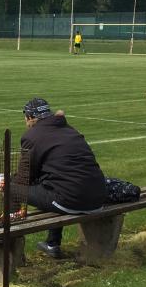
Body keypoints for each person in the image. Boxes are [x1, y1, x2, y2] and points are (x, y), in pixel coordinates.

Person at [14, 98, 107, 258]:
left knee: (10, 189)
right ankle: (52, 243)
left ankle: (9, 244)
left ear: (29, 117)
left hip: (72, 200)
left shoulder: (31, 136)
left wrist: (7, 182)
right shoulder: (70, 129)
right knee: (55, 186)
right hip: (98, 196)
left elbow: (23, 179)